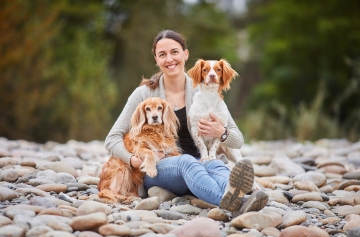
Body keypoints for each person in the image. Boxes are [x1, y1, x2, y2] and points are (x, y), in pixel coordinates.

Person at [105, 30, 268, 215]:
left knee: (215, 165)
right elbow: (112, 139)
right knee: (187, 162)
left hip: (201, 161)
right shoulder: (143, 94)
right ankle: (234, 204)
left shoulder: (205, 89)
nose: (169, 59)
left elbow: (237, 140)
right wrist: (133, 160)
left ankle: (240, 197)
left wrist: (221, 132)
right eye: (162, 55)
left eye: (174, 52)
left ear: (185, 54)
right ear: (156, 60)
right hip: (158, 169)